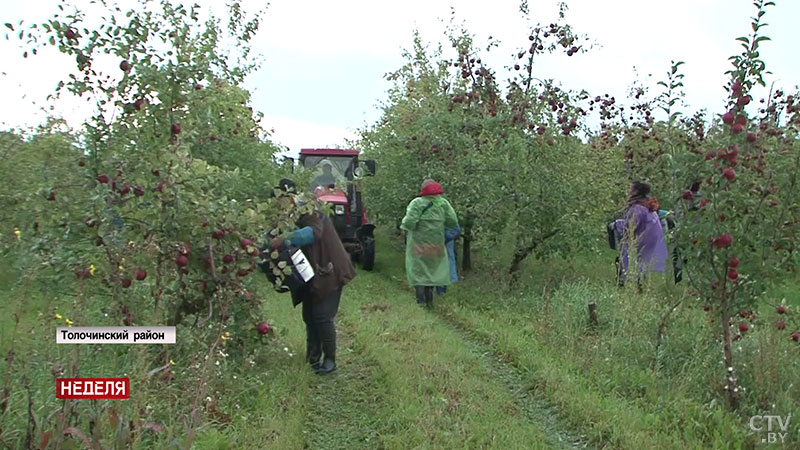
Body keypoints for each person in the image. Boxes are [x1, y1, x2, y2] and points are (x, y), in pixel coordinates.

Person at [269, 178, 356, 374]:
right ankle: (313, 358)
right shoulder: (287, 215)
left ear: (289, 198)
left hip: (330, 269)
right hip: (310, 271)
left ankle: (330, 360)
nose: (278, 205)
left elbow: (313, 233)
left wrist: (283, 239)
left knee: (322, 315)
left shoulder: (310, 209)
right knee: (309, 315)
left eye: (279, 200)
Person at [400, 179, 459, 308]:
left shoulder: (417, 203)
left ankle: (420, 301)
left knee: (419, 271)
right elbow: (453, 222)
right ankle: (430, 301)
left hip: (418, 244)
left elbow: (409, 223)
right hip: (436, 245)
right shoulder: (443, 204)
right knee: (432, 271)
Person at [615, 181, 668, 288]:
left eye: (631, 188)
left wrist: (616, 225)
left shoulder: (637, 207)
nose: (629, 191)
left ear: (637, 191)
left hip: (645, 235)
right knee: (642, 260)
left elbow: (630, 226)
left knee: (625, 248)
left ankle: (626, 278)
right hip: (653, 234)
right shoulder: (647, 204)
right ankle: (638, 279)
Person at [436, 225, 461, 295]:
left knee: (443, 264)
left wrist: (445, 237)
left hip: (444, 239)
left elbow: (457, 229)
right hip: (435, 240)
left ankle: (441, 291)